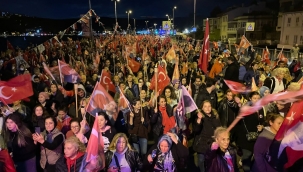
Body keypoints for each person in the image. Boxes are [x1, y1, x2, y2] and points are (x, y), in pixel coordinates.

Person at [193, 100, 221, 172]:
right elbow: (196, 130)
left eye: (209, 106)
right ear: (202, 108)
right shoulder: (200, 117)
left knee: (212, 162)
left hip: (213, 143)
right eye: (205, 106)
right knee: (201, 161)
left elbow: (219, 128)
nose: (207, 108)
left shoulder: (215, 116)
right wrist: (199, 119)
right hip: (202, 143)